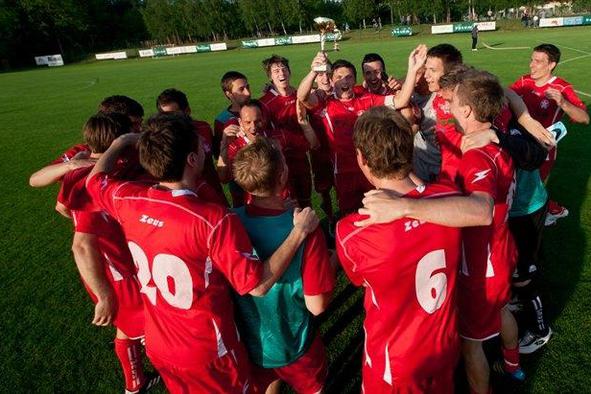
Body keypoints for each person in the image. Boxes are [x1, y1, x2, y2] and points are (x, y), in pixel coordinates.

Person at [85, 113, 320, 393]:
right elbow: (257, 285)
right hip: (208, 351)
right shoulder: (213, 219)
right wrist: (299, 232)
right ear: (192, 160)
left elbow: (93, 179)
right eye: (200, 147)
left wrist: (121, 142)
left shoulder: (126, 198)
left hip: (160, 343)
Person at [336, 106, 462, 393]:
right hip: (444, 342)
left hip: (396, 361)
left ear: (362, 159)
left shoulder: (352, 232)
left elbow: (359, 280)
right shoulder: (451, 198)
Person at [56, 113, 160, 394]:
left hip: (118, 268)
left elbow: (62, 208)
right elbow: (81, 245)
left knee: (126, 329)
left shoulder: (91, 172)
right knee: (155, 337)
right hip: (117, 276)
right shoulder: (91, 181)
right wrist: (103, 295)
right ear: (117, 141)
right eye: (129, 134)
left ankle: (135, 384)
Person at [231, 137, 335, 393]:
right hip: (297, 344)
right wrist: (335, 258)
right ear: (282, 177)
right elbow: (317, 305)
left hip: (253, 344)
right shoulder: (306, 227)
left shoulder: (229, 221)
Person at [297, 45, 427, 214]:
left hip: (373, 168)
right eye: (339, 77)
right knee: (349, 213)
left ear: (355, 80)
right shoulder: (325, 103)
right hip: (344, 172)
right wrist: (314, 71)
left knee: (377, 209)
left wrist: (413, 68)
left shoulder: (367, 99)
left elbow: (401, 100)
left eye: (349, 77)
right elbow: (302, 97)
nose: (344, 81)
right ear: (332, 80)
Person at [510, 43, 589, 226]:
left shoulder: (562, 87)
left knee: (528, 189)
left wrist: (563, 103)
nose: (531, 65)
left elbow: (584, 118)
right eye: (532, 60)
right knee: (517, 185)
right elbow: (505, 98)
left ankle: (551, 211)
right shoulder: (523, 82)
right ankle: (546, 210)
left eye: (538, 61)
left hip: (543, 148)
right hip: (520, 143)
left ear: (551, 65)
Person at [260, 55, 318, 208]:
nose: (281, 73)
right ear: (270, 76)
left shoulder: (300, 95)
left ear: (289, 72)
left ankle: (312, 229)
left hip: (301, 156)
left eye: (284, 69)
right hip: (281, 160)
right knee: (288, 201)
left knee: (306, 199)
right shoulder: (265, 103)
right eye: (276, 71)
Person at [157, 88, 227, 206]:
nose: (170, 120)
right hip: (186, 199)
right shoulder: (162, 141)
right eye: (165, 116)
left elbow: (215, 155)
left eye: (174, 115)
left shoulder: (203, 128)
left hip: (214, 192)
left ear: (187, 111)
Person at [214, 71, 252, 159]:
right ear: (229, 94)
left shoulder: (259, 109)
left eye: (248, 87)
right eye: (241, 89)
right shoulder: (222, 120)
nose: (248, 93)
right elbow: (218, 155)